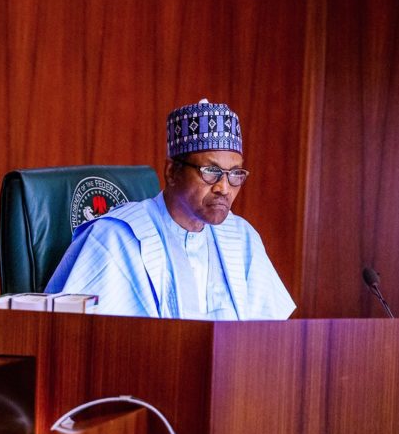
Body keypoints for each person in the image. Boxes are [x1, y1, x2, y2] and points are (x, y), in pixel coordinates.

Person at [44, 99, 295, 320]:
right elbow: (73, 337)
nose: (224, 188)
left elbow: (268, 336)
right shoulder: (114, 237)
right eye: (211, 172)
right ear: (172, 172)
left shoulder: (242, 237)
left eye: (235, 174)